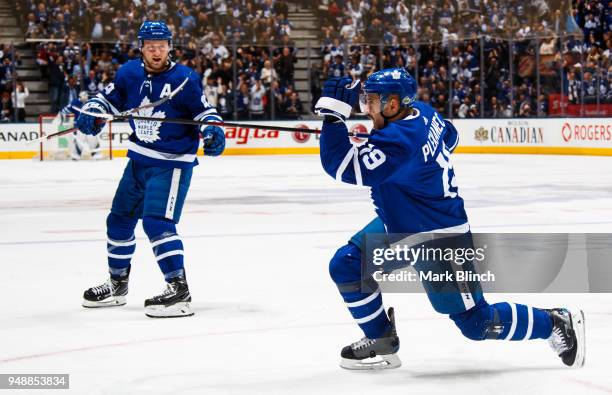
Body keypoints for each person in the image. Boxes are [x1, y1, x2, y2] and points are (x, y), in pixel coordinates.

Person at [314, 69, 585, 370]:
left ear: (393, 104)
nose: (367, 107)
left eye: (373, 101)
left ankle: (555, 322)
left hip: (439, 238)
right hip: (402, 229)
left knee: (475, 322)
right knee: (347, 264)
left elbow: (341, 166)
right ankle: (380, 339)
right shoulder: (421, 113)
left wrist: (333, 116)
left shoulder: (399, 141)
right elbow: (451, 138)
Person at [76, 21, 226, 318]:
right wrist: (93, 110)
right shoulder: (128, 72)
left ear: (170, 46)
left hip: (171, 164)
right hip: (139, 160)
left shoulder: (185, 79)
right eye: (150, 46)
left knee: (157, 223)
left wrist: (212, 129)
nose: (156, 51)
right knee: (118, 221)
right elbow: (109, 98)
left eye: (161, 45)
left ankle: (178, 290)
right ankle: (117, 286)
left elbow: (205, 111)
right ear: (141, 47)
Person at [58, 91, 102, 160]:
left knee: (92, 139)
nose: (84, 98)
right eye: (83, 97)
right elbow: (64, 111)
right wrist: (62, 117)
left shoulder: (92, 103)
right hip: (79, 126)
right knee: (79, 140)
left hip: (90, 125)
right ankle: (75, 156)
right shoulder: (75, 103)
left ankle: (97, 155)